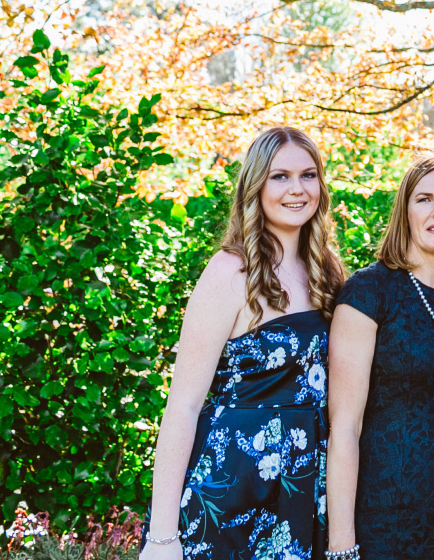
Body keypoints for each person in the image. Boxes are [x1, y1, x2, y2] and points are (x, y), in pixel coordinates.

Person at [140, 126, 347, 560]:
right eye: (280, 176)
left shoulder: (327, 271)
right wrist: (162, 537)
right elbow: (183, 406)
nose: (297, 189)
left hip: (305, 489)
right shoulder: (231, 271)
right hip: (232, 491)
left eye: (308, 175)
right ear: (256, 186)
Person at [325, 154, 434, 560]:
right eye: (424, 199)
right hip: (383, 520)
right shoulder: (369, 292)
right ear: (405, 211)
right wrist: (341, 543)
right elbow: (344, 428)